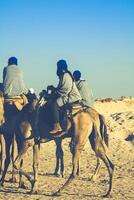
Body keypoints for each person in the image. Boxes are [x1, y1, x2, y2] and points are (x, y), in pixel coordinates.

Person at [48, 59, 82, 134]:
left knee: (54, 104)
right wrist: (54, 89)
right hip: (68, 95)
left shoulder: (66, 75)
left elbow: (65, 90)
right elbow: (61, 88)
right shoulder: (64, 75)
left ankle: (56, 125)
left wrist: (55, 93)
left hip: (71, 96)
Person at [3, 57, 28, 121]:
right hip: (20, 97)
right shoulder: (20, 70)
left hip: (8, 96)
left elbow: (5, 82)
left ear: (8, 63)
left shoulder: (6, 69)